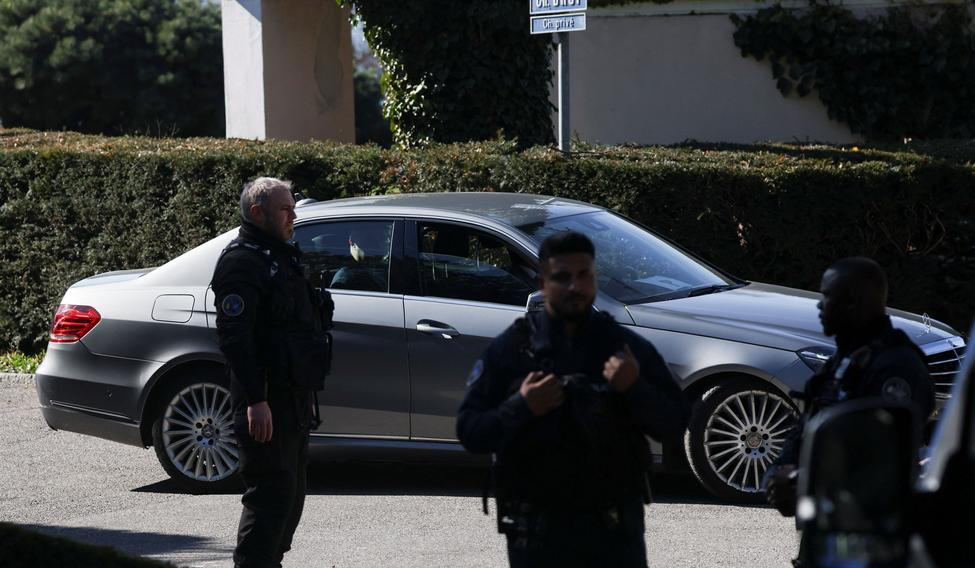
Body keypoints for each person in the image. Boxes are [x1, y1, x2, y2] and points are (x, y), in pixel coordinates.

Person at [456, 231, 690, 568]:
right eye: (562, 277)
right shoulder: (512, 350)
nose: (574, 287)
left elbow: (675, 422)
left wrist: (634, 387)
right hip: (538, 533)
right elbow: (470, 431)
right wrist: (520, 407)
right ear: (543, 282)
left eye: (584, 275)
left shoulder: (624, 348)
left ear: (595, 277)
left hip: (612, 531)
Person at [763, 257, 933, 563]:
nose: (819, 306)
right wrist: (777, 474)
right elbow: (809, 423)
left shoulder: (897, 365)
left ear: (853, 302)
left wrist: (803, 480)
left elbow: (882, 458)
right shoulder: (845, 358)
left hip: (869, 536)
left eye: (827, 296)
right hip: (829, 524)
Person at [211, 177, 333, 568]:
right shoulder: (241, 263)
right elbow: (235, 339)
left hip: (293, 399)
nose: (293, 216)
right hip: (266, 401)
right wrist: (255, 399)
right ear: (258, 212)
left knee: (290, 500)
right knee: (270, 498)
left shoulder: (279, 255)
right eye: (285, 209)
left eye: (293, 208)